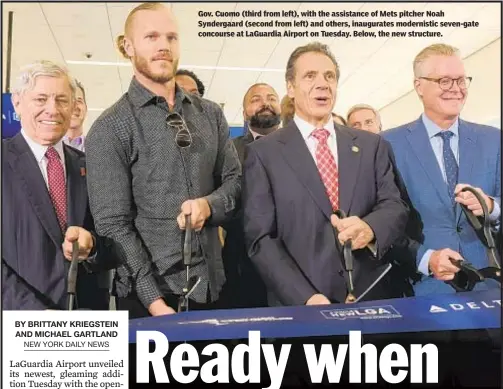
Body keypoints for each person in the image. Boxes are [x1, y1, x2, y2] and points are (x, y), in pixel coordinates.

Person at [85, 3, 241, 318]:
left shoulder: (210, 113)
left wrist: (209, 205)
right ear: (127, 46)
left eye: (171, 37)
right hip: (153, 300)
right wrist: (155, 303)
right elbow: (112, 225)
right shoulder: (109, 128)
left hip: (215, 287)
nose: (163, 46)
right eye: (151, 36)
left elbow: (235, 182)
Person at [243, 42, 408, 306]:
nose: (322, 84)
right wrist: (305, 297)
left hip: (372, 298)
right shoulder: (264, 154)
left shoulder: (371, 145)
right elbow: (261, 239)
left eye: (329, 76)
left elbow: (394, 205)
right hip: (302, 307)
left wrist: (371, 228)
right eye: (310, 76)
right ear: (290, 87)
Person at [383, 43, 501, 295]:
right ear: (419, 86)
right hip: (423, 288)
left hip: (490, 285)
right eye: (445, 81)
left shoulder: (493, 140)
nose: (456, 89)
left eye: (461, 80)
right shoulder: (388, 145)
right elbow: (384, 222)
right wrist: (425, 259)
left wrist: (492, 207)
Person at [2, 60, 118, 310]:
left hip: (87, 321)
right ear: (17, 103)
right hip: (20, 322)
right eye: (41, 99)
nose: (52, 110)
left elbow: (115, 241)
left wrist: (94, 246)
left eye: (62, 100)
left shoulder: (90, 167)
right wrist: (36, 315)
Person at [221, 83, 281, 308]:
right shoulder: (228, 150)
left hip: (295, 253)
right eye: (256, 99)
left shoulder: (300, 148)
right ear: (245, 111)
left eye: (271, 98)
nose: (265, 103)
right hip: (242, 256)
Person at [63, 79, 87, 151]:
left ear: (86, 108)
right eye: (68, 101)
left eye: (79, 101)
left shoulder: (97, 148)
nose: (74, 106)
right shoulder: (48, 148)